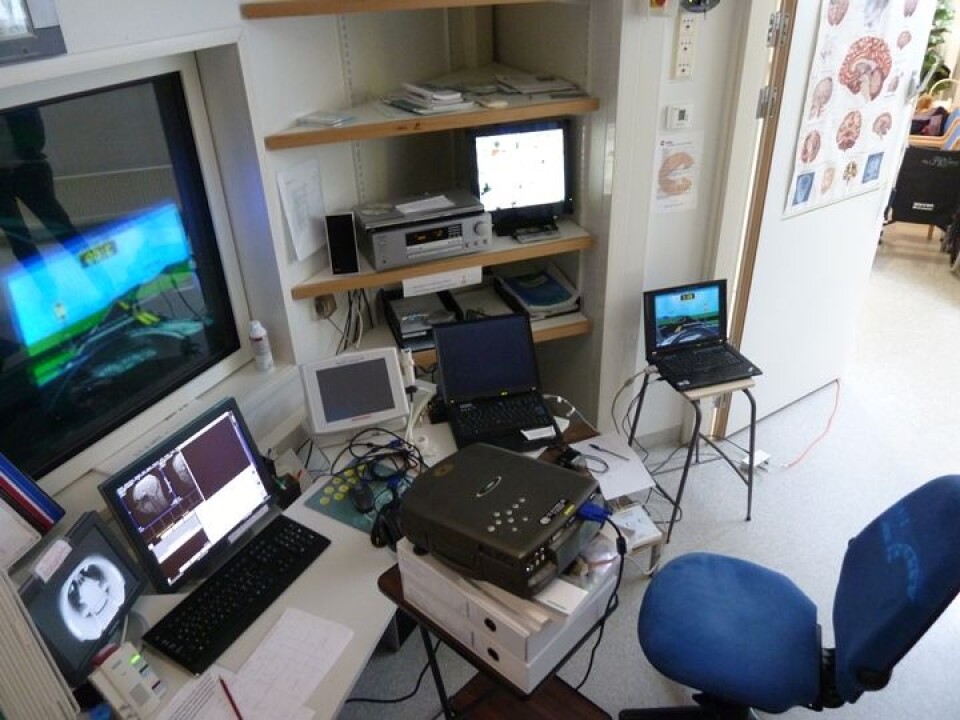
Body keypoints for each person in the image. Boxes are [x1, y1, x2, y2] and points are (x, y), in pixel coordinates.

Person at [0, 107, 79, 264]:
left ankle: (100, 275)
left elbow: (36, 136)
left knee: (61, 227)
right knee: (19, 239)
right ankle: (45, 285)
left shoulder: (17, 100)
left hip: (28, 170)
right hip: (19, 173)